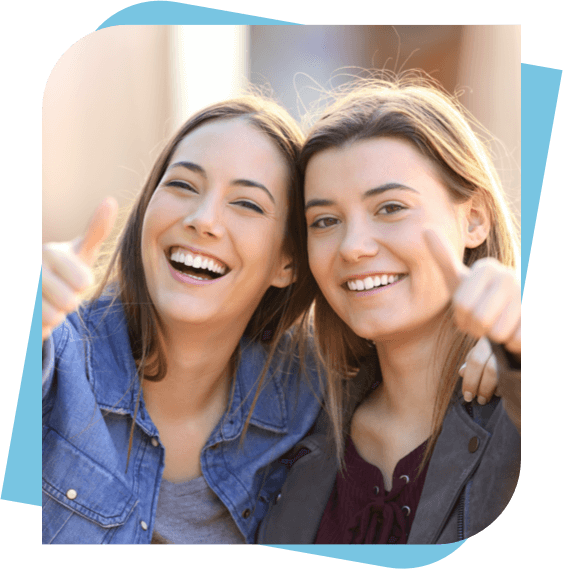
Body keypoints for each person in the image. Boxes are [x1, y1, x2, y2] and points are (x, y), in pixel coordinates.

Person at [41, 95, 324, 545]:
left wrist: (480, 347)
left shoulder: (309, 401)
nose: (203, 219)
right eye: (183, 185)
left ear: (287, 261)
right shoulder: (55, 356)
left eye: (247, 204)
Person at [256, 73, 521, 544]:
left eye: (390, 208)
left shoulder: (510, 414)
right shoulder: (292, 418)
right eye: (325, 220)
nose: (353, 247)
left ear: (474, 219)